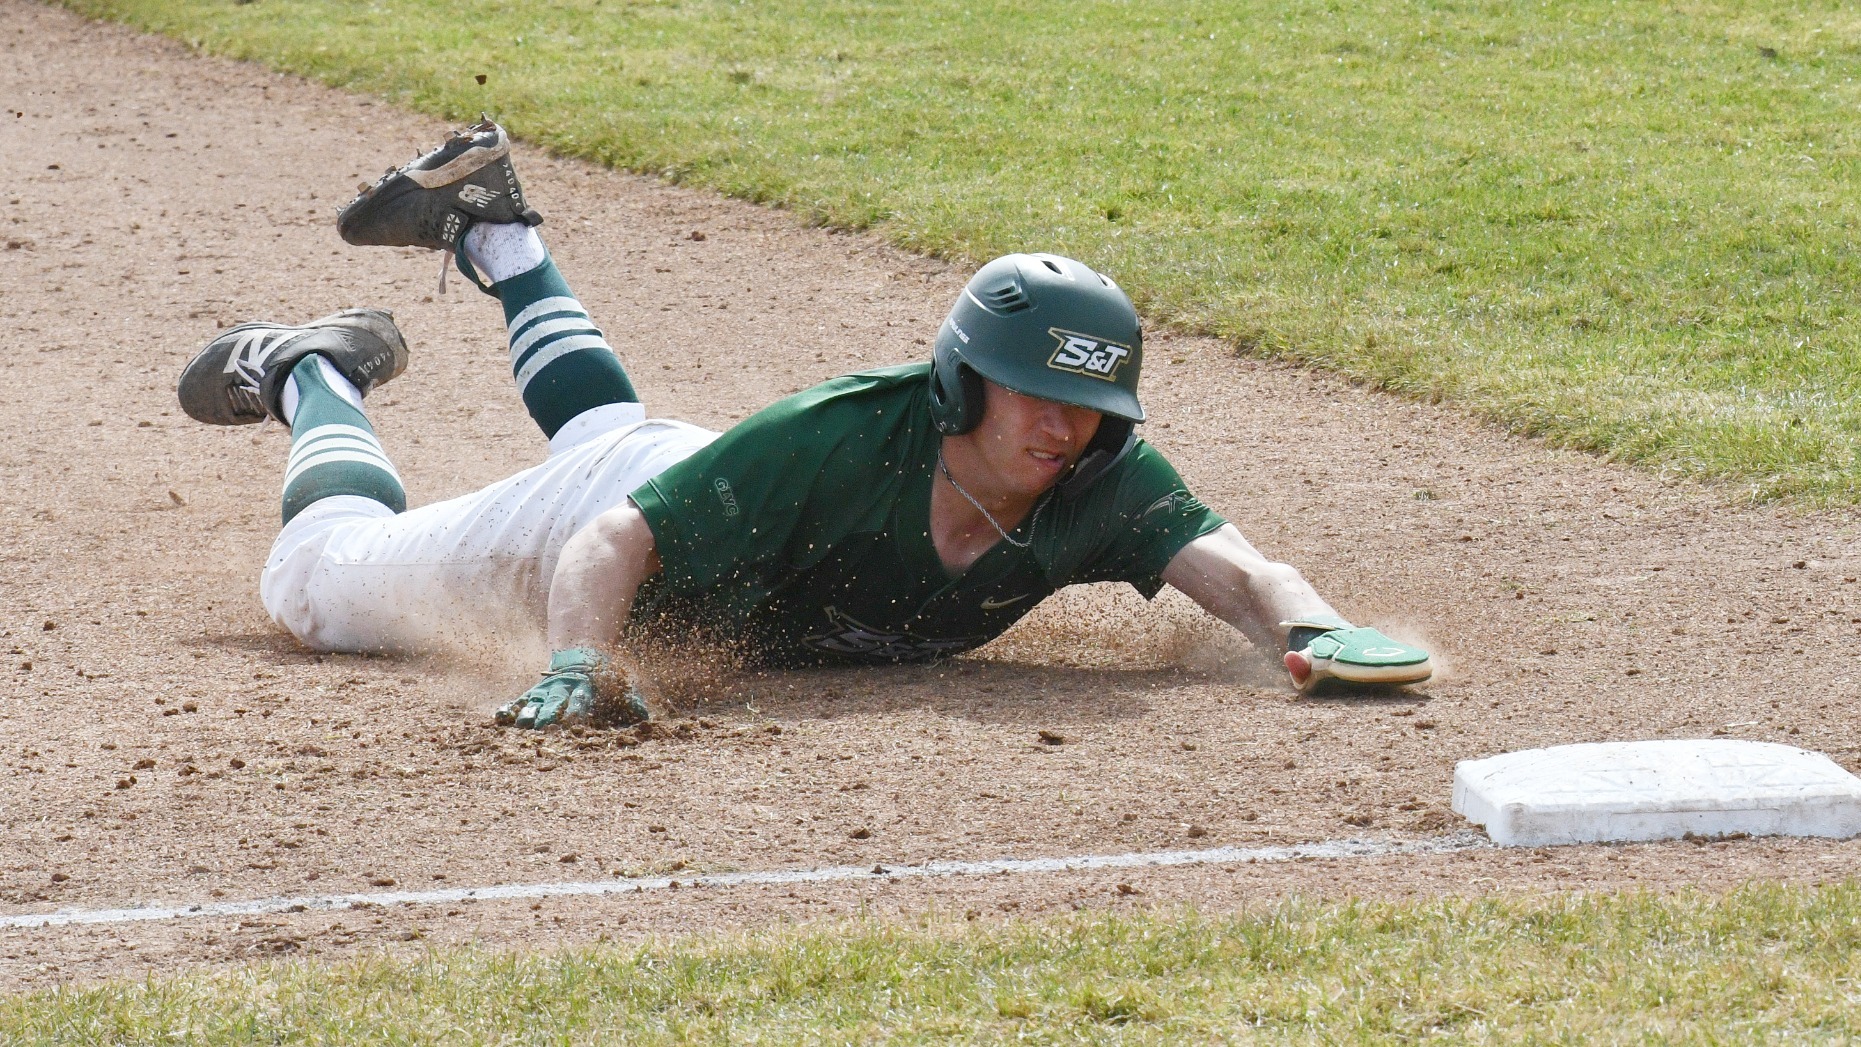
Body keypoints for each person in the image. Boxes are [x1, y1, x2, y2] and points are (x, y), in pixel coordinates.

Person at [176, 119, 1432, 729]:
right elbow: (610, 542)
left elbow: (1239, 570)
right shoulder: (838, 434)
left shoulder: (1098, 473)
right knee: (313, 585)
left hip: (690, 480)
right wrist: (575, 660)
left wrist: (1314, 628)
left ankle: (501, 235)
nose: (1067, 429)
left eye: (1094, 406)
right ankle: (309, 375)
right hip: (585, 536)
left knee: (622, 432)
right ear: (962, 386)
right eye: (1041, 397)